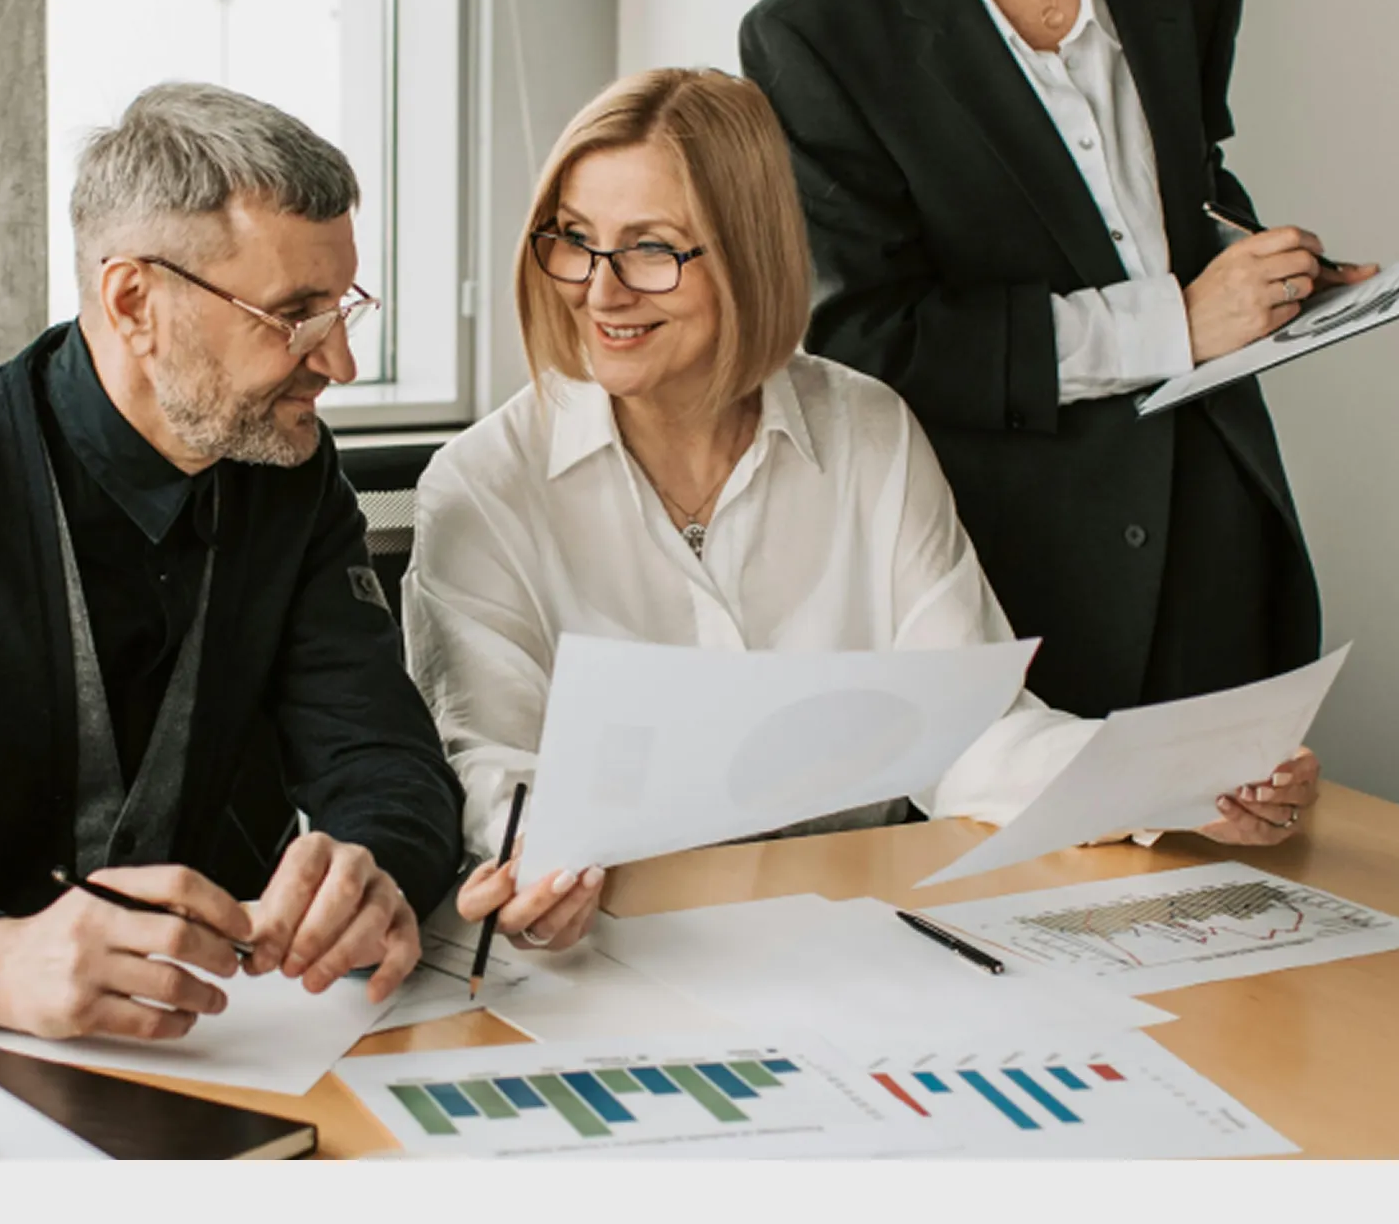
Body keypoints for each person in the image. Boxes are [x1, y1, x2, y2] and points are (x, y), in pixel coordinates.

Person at [402, 68, 1320, 955]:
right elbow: (486, 764)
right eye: (572, 238)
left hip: (853, 935)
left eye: (652, 249)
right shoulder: (484, 483)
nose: (600, 289)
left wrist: (1183, 781)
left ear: (751, 253)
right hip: (611, 945)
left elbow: (975, 728)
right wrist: (543, 863)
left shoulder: (866, 429)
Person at [739, 0, 1378, 723]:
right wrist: (1171, 324)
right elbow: (868, 335)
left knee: (1236, 869)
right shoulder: (818, 33)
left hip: (1214, 505)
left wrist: (1262, 268)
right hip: (1011, 548)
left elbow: (1176, 186)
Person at [0, 83, 464, 1038]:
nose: (341, 365)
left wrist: (378, 865)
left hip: (219, 1043)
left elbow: (382, 756)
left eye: (343, 308)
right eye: (295, 317)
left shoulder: (291, 475)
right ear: (134, 302)